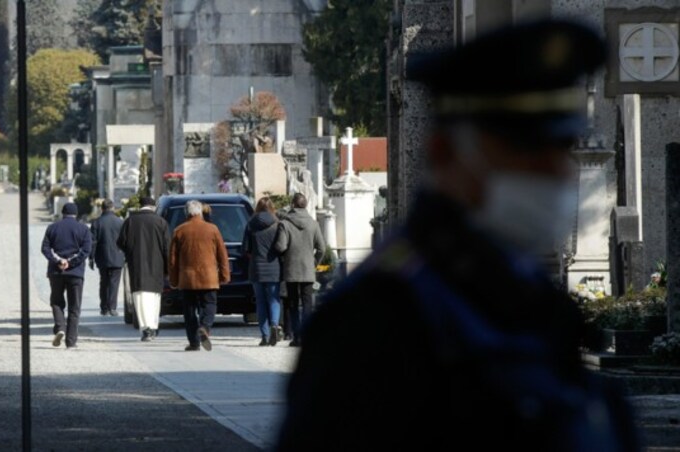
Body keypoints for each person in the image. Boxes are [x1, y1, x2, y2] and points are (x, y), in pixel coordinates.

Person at [274, 19, 642, 451]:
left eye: (561, 149)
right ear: (446, 153)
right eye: (524, 150)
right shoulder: (377, 317)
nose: (554, 172)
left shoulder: (527, 297)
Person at [169, 199, 230, 351]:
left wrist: (173, 280)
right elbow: (222, 254)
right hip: (209, 277)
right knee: (209, 304)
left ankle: (194, 342)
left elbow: (173, 260)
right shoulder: (213, 229)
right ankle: (205, 327)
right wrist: (224, 275)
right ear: (200, 212)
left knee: (189, 310)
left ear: (186, 213)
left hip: (187, 279)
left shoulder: (179, 230)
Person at [274, 193, 325, 347]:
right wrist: (314, 262)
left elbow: (281, 246)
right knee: (308, 304)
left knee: (293, 304)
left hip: (291, 269)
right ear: (306, 204)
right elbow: (321, 248)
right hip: (308, 269)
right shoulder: (313, 224)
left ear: (292, 205)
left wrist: (278, 249)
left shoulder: (285, 223)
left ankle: (296, 337)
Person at [117, 195, 171, 342]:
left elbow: (121, 242)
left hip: (137, 266)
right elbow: (167, 247)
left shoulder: (130, 222)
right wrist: (168, 268)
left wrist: (130, 252)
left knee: (140, 298)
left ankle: (146, 329)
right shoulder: (161, 222)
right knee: (155, 298)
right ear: (153, 207)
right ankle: (153, 326)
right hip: (157, 266)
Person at [41, 202, 92, 350]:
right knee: (74, 307)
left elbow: (45, 248)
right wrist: (71, 262)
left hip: (56, 272)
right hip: (75, 273)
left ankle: (60, 326)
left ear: (62, 213)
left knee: (56, 301)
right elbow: (86, 250)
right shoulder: (83, 229)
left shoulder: (52, 228)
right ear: (76, 214)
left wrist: (58, 261)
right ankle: (71, 341)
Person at [241, 196, 282, 346]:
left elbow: (245, 248)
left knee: (260, 302)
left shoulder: (250, 224)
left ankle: (264, 336)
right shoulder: (277, 224)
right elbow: (281, 246)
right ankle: (274, 324)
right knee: (273, 298)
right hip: (273, 266)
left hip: (256, 267)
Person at [89, 198, 125, 316]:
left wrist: (91, 258)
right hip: (118, 256)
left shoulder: (96, 222)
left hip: (102, 257)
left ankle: (104, 307)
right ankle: (112, 307)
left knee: (103, 282)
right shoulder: (120, 222)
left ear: (102, 208)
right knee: (114, 282)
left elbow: (92, 242)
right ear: (113, 208)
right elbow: (125, 241)